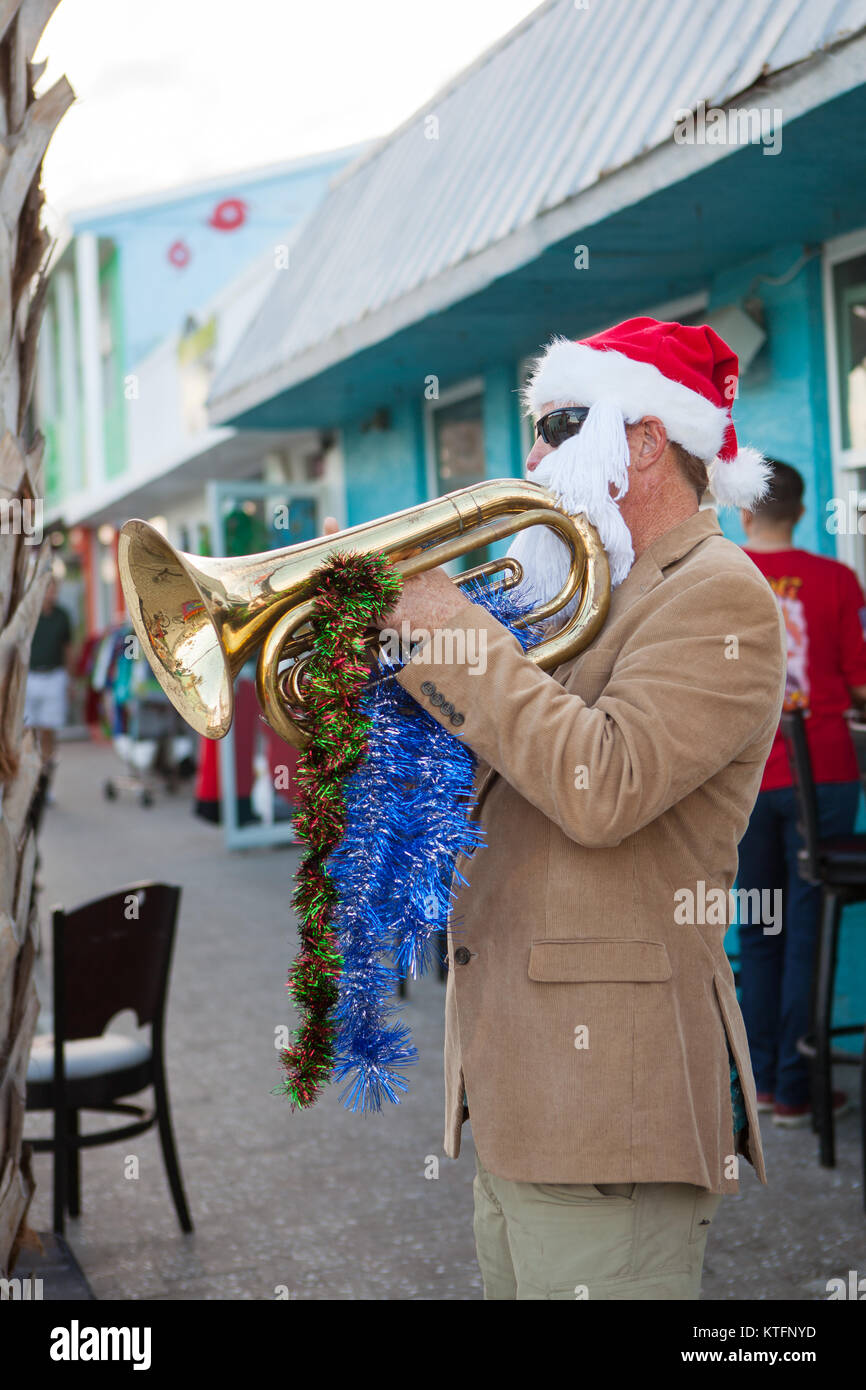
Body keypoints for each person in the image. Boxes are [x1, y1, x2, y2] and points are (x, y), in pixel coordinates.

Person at [364, 316, 786, 1300]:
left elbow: (602, 786)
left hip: (610, 1100)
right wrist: (389, 687)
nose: (533, 454)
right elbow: (504, 773)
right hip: (522, 1090)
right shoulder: (580, 594)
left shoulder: (713, 596)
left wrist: (456, 640)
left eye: (558, 423)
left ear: (642, 439)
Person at [737, 461, 866, 1127]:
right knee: (807, 931)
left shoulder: (718, 576)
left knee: (758, 928)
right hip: (828, 778)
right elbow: (858, 680)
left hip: (742, 783)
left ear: (744, 511)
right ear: (805, 508)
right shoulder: (838, 579)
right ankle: (796, 1089)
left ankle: (759, 1085)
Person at [25, 577, 73, 787]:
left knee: (49, 730)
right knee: (28, 730)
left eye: (53, 590)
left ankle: (45, 781)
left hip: (54, 676)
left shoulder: (62, 616)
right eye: (47, 590)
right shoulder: (30, 615)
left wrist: (71, 680)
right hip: (31, 676)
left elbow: (68, 649)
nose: (50, 595)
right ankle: (30, 778)